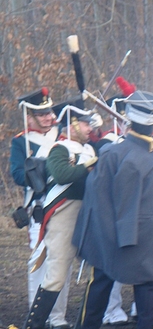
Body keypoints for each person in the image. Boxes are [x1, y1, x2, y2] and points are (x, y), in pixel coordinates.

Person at [72, 91, 153, 329]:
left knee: (98, 290)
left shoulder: (111, 154)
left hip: (111, 239)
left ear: (129, 120)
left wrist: (106, 242)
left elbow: (97, 202)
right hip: (147, 241)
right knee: (147, 300)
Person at [22, 96, 98, 329]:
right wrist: (87, 165)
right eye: (86, 124)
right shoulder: (60, 148)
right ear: (73, 124)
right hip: (64, 215)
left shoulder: (88, 148)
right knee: (56, 274)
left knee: (98, 273)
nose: (89, 128)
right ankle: (34, 324)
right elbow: (62, 174)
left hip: (87, 215)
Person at [10, 88, 73, 329]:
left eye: (49, 112)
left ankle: (57, 317)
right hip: (39, 210)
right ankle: (37, 314)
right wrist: (40, 170)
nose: (49, 117)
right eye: (43, 114)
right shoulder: (21, 141)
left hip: (64, 207)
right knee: (39, 262)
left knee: (62, 260)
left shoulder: (63, 137)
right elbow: (16, 174)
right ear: (30, 117)